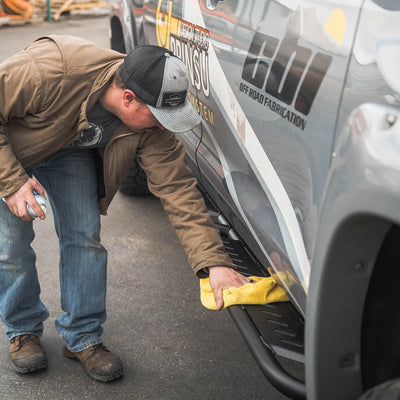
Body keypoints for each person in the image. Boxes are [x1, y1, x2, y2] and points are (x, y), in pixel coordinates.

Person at [0, 35, 249, 382]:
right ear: (128, 98)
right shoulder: (49, 72)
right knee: (10, 246)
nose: (164, 125)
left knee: (84, 235)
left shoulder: (152, 126)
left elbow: (177, 189)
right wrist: (11, 182)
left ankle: (82, 336)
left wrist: (214, 263)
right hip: (10, 147)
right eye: (159, 116)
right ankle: (22, 330)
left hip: (69, 150)